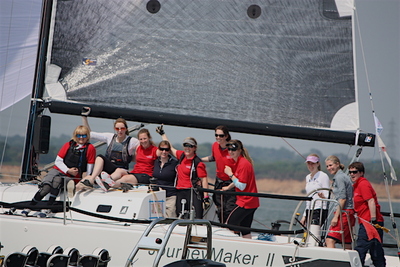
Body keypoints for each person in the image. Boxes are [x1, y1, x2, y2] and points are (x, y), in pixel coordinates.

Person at [23, 125, 96, 217]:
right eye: (79, 135)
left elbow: (90, 165)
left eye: (84, 135)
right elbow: (58, 161)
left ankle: (48, 208)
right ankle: (29, 207)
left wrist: (87, 179)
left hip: (72, 176)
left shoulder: (90, 148)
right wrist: (68, 170)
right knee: (46, 187)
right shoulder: (68, 145)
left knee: (57, 181)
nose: (81, 138)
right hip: (59, 170)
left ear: (87, 136)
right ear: (75, 135)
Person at [76, 108, 139, 191]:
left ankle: (104, 182)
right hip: (108, 169)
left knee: (118, 171)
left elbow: (144, 147)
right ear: (115, 129)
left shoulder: (133, 141)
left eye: (122, 129)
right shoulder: (109, 137)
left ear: (126, 129)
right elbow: (90, 134)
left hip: (122, 170)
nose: (120, 131)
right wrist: (84, 117)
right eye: (117, 129)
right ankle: (77, 188)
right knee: (98, 159)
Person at [157, 125, 209, 219]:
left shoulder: (197, 162)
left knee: (196, 217)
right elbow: (170, 148)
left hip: (192, 192)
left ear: (195, 148)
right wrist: (162, 134)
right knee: (180, 216)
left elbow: (204, 179)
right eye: (185, 145)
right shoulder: (181, 156)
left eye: (190, 146)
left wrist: (206, 197)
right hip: (180, 191)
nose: (187, 148)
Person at [349, 162, 386, 267]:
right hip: (365, 221)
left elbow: (371, 201)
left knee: (361, 248)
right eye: (350, 172)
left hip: (369, 222)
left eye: (354, 172)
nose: (352, 174)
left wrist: (373, 220)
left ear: (361, 173)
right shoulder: (356, 185)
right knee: (375, 250)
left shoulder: (363, 184)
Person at [223, 140, 259, 238]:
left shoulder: (243, 164)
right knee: (245, 229)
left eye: (233, 149)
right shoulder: (239, 162)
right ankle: (247, 248)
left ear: (239, 150)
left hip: (246, 202)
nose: (230, 151)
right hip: (250, 202)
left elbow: (242, 186)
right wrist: (228, 187)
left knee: (229, 224)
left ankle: (233, 247)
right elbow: (238, 180)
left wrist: (230, 174)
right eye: (229, 149)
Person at [201, 125, 236, 223]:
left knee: (229, 207)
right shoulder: (214, 145)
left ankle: (230, 227)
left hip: (230, 182)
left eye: (221, 135)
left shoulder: (232, 149)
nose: (218, 138)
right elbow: (213, 158)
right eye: (216, 135)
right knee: (219, 206)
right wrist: (199, 160)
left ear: (226, 136)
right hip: (219, 180)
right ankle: (222, 225)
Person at [325, 155, 355, 249]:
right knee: (346, 242)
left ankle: (331, 263)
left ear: (337, 164)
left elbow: (342, 198)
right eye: (327, 166)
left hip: (344, 213)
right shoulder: (342, 176)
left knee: (329, 240)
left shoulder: (339, 178)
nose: (329, 168)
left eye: (331, 165)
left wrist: (335, 217)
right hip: (348, 212)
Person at [300, 153, 330, 245]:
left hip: (319, 209)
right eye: (309, 163)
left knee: (314, 234)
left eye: (312, 163)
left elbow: (327, 194)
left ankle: (314, 247)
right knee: (307, 234)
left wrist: (323, 196)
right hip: (310, 209)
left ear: (318, 164)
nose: (310, 166)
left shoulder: (323, 176)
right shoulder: (308, 177)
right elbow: (308, 198)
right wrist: (304, 215)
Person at [153, 140, 178, 218]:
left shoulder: (175, 163)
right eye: (162, 149)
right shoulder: (155, 162)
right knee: (156, 219)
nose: (164, 152)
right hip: (157, 196)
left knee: (170, 218)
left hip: (170, 196)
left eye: (166, 150)